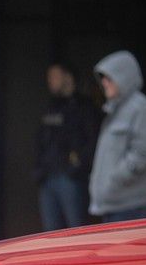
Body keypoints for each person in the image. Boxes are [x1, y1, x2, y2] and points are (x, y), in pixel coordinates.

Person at [88, 50, 146, 223]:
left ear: (124, 77)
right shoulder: (115, 110)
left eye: (109, 77)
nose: (104, 83)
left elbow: (144, 154)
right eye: (103, 78)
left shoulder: (140, 107)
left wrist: (114, 179)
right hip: (115, 204)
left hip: (131, 204)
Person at [35, 63, 100, 230]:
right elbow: (40, 141)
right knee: (51, 235)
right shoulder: (50, 106)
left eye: (54, 76)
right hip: (48, 177)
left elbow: (93, 142)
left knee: (77, 231)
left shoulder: (84, 107)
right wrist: (39, 169)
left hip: (71, 178)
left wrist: (76, 166)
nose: (50, 81)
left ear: (68, 78)